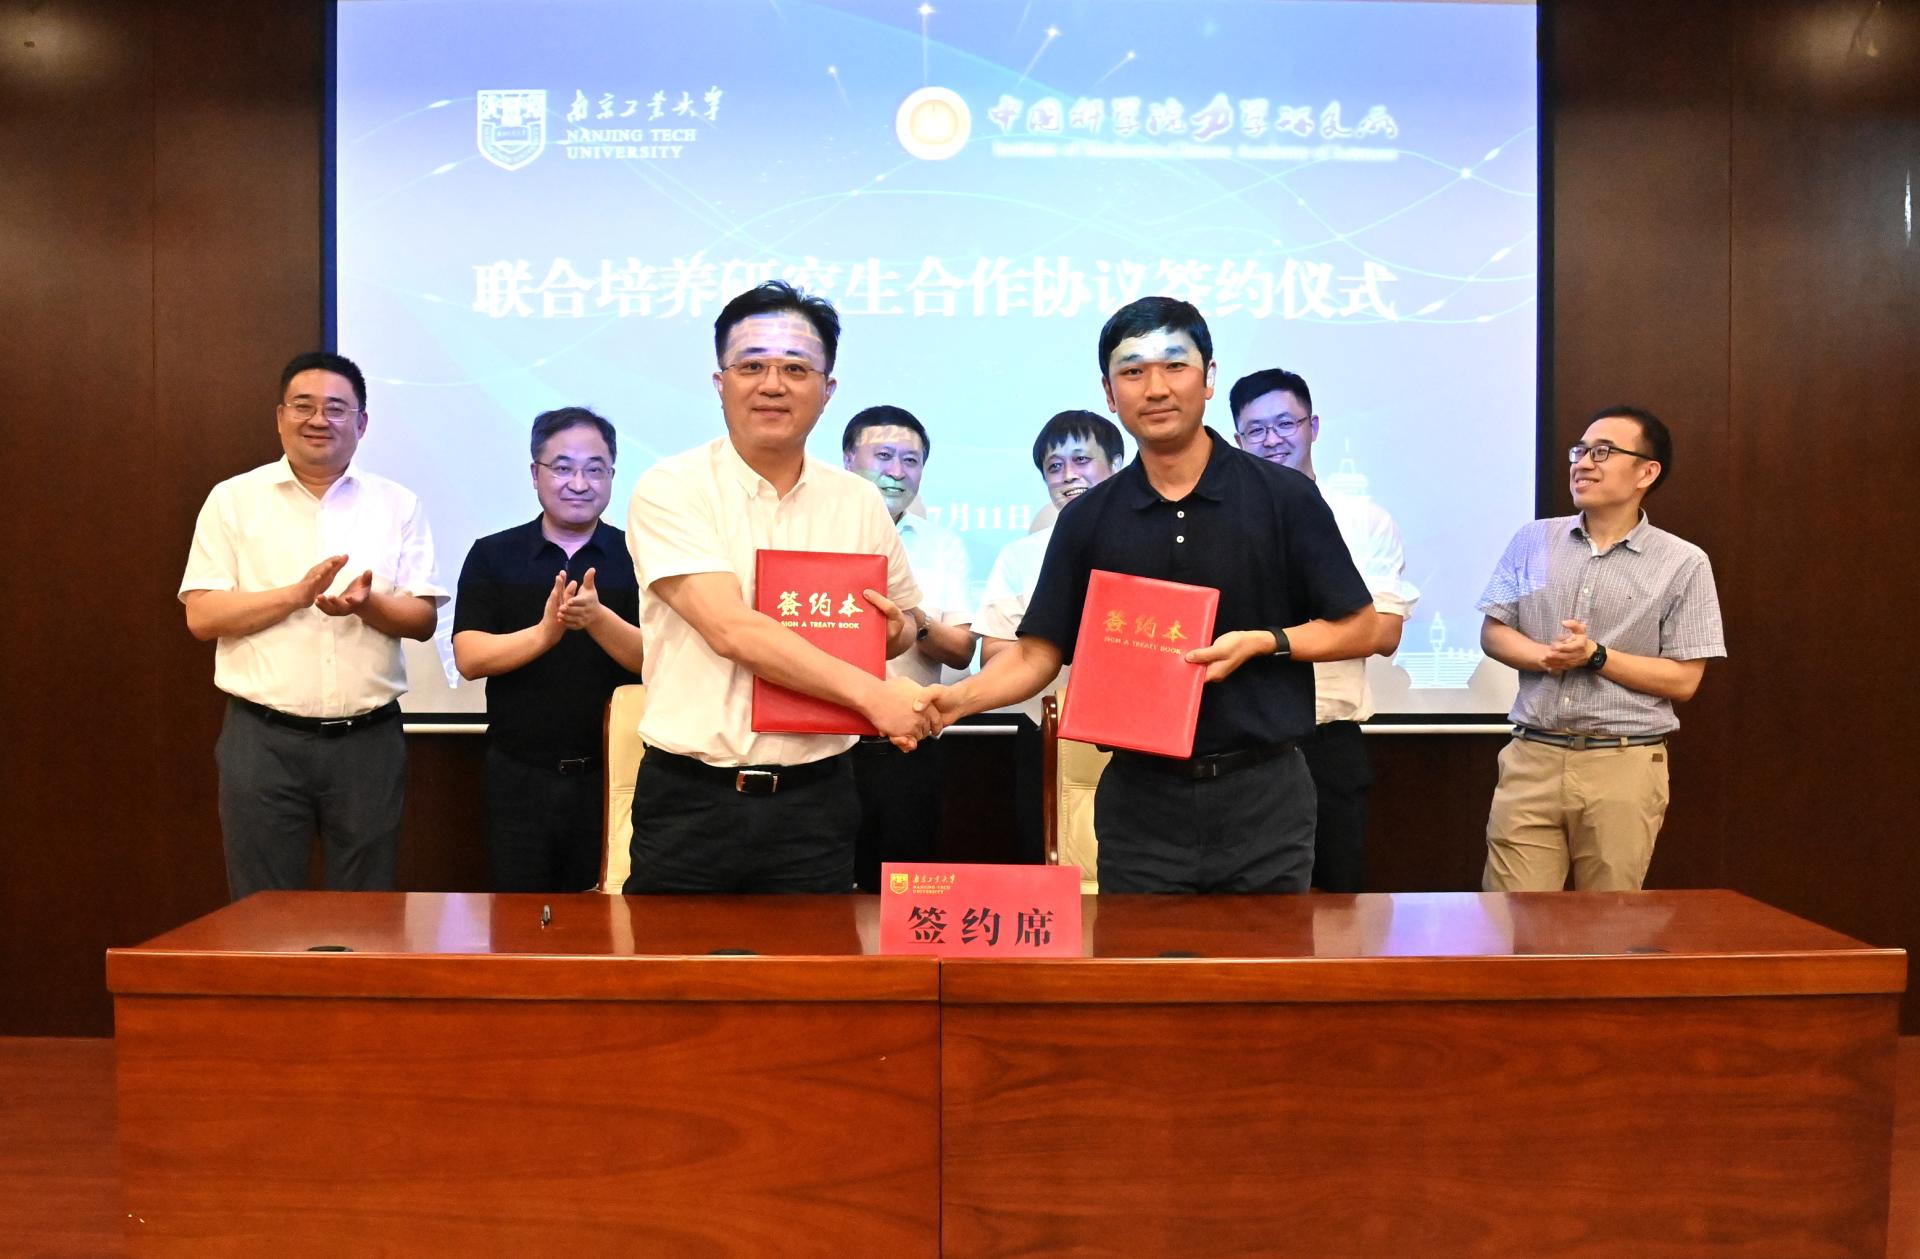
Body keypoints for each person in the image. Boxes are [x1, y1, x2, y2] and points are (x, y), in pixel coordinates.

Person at [923, 297, 1377, 893]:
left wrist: (1267, 642)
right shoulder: (1087, 519)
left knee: (1265, 957)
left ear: (1208, 378)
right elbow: (1037, 653)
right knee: (1138, 956)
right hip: (1140, 799)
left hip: (1265, 793)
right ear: (1110, 394)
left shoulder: (1283, 496)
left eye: (1175, 365)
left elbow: (1361, 626)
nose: (1156, 388)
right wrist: (954, 702)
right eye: (1133, 371)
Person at [623, 281, 928, 894]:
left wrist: (894, 630)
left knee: (815, 959)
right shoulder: (672, 487)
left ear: (827, 389)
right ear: (720, 382)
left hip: (817, 800)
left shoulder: (859, 500)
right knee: (673, 960)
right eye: (751, 366)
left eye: (795, 368)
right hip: (692, 802)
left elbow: (905, 623)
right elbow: (731, 630)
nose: (772, 384)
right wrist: (874, 695)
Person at [180, 351, 446, 900]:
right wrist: (295, 596)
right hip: (262, 740)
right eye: (303, 406)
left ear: (362, 423)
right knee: (262, 911)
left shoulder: (397, 504)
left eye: (336, 408)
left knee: (367, 911)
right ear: (280, 417)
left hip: (368, 741)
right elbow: (202, 616)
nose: (319, 419)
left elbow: (422, 619)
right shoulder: (233, 500)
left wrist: (366, 606)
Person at [1477, 405, 1725, 892]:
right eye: (1581, 451)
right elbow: (1494, 631)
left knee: (1609, 924)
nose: (1583, 463)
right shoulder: (1533, 540)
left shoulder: (1684, 562)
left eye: (1603, 452)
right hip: (1533, 756)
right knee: (1511, 919)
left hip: (1624, 764)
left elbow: (1684, 679)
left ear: (1646, 473)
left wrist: (1596, 656)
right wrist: (1547, 657)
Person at [1230, 369, 1418, 892]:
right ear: (1237, 440)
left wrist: (1267, 641)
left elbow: (1382, 633)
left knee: (1336, 904)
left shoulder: (1363, 520)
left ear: (1312, 426)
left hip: (1326, 740)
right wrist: (1331, 627)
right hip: (1239, 745)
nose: (1272, 439)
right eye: (1255, 430)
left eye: (1285, 424)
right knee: (1246, 911)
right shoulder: (1217, 524)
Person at [453, 407, 645, 893]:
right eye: (562, 468)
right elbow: (470, 658)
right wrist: (544, 634)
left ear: (612, 475)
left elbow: (660, 662)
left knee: (608, 915)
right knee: (517, 916)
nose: (579, 483)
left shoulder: (639, 558)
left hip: (616, 777)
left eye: (595, 469)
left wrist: (597, 620)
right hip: (519, 773)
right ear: (535, 473)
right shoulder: (493, 554)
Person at [971, 409, 1126, 864]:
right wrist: (1048, 639)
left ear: (1116, 463)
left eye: (1082, 460)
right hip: (1046, 736)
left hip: (1137, 740)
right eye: (1054, 467)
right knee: (1042, 864)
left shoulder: (1149, 539)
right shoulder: (1019, 556)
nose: (1068, 475)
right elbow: (992, 653)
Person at [840, 405, 973, 889]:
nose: (897, 471)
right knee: (825, 900)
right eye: (883, 456)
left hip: (908, 746)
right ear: (848, 459)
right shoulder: (812, 535)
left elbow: (961, 651)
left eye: (911, 461)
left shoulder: (942, 546)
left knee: (903, 897)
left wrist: (911, 613)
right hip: (827, 747)